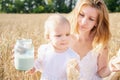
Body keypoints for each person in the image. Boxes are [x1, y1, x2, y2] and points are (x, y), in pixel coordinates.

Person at [68, 0, 120, 80]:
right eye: (81, 15)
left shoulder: (100, 43)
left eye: (91, 19)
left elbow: (101, 72)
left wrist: (110, 67)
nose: (83, 22)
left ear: (97, 23)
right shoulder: (63, 38)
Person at [26, 14, 80, 80]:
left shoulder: (72, 55)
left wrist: (76, 71)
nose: (64, 38)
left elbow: (76, 72)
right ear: (48, 37)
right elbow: (40, 62)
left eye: (67, 34)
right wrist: (34, 68)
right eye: (58, 35)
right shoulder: (45, 50)